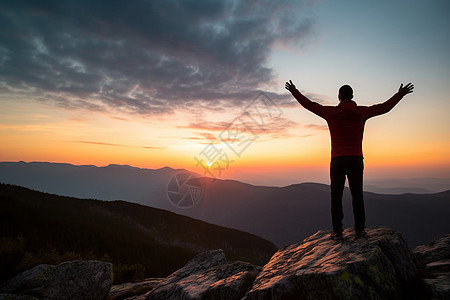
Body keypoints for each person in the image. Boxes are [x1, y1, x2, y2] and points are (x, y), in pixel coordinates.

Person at [285, 80, 414, 240]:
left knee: (336, 196)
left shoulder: (331, 112)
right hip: (356, 159)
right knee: (357, 195)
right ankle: (359, 231)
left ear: (339, 97)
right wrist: (400, 94)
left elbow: (310, 105)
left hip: (337, 159)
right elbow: (383, 108)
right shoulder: (361, 112)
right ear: (352, 96)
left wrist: (294, 91)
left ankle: (337, 232)